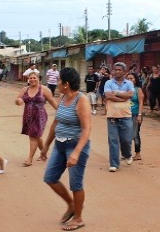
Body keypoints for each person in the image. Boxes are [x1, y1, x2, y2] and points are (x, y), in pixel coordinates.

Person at [40, 67, 91, 231]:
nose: (57, 82)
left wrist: (76, 152)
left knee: (76, 184)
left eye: (59, 80)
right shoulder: (62, 97)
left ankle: (78, 218)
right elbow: (56, 122)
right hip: (60, 144)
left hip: (75, 145)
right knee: (50, 177)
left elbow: (86, 129)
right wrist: (46, 145)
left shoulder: (81, 100)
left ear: (66, 84)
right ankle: (71, 204)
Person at [15, 72, 57, 166]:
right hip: (28, 116)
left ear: (39, 79)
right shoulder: (25, 89)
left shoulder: (44, 90)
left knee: (33, 135)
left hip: (40, 116)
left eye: (34, 78)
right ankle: (43, 153)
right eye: (30, 78)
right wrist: (19, 101)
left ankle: (29, 159)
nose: (32, 80)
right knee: (36, 136)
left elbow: (52, 102)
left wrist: (62, 112)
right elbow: (18, 99)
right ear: (28, 79)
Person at [104, 62, 135, 172]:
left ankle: (127, 154)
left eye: (119, 70)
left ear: (125, 72)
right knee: (113, 140)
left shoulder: (129, 83)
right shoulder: (108, 82)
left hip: (126, 115)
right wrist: (123, 97)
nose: (117, 71)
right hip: (112, 116)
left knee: (126, 139)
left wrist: (115, 93)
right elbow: (108, 96)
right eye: (115, 69)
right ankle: (114, 164)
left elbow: (131, 94)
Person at [126, 72, 144, 161]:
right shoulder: (125, 89)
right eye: (128, 78)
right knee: (126, 134)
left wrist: (139, 115)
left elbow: (141, 103)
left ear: (135, 80)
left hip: (135, 114)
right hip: (126, 114)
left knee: (135, 134)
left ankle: (138, 153)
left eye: (131, 78)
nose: (129, 80)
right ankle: (127, 153)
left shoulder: (138, 90)